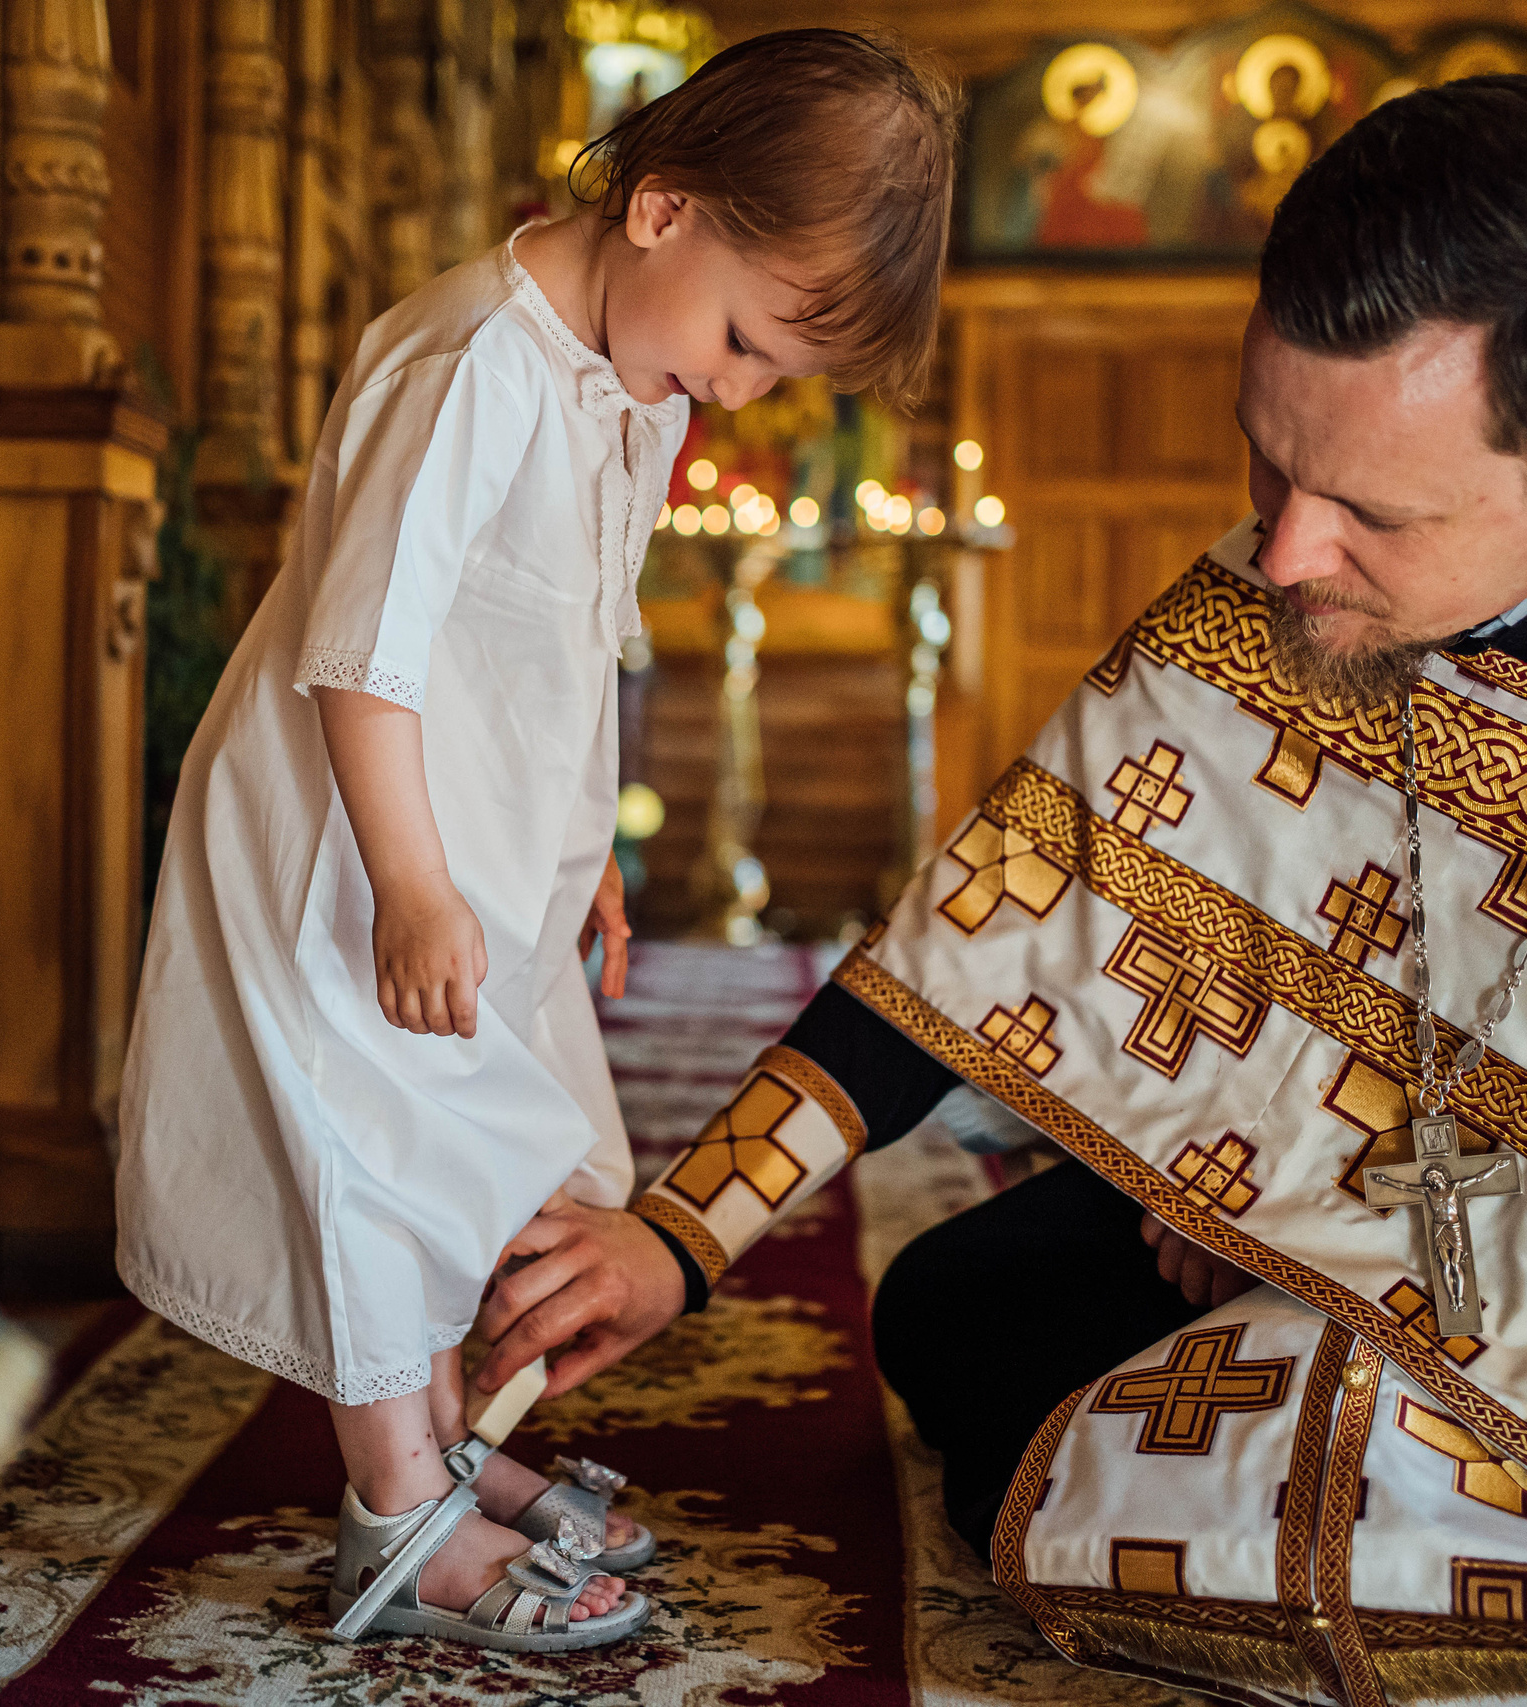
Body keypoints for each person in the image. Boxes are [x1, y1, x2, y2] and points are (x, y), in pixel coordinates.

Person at [478, 74, 1527, 1701]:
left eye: (1371, 511)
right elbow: (988, 928)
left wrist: (1318, 1236)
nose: (1284, 556)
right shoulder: (1288, 591)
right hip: (1313, 1237)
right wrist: (677, 1235)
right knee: (953, 1312)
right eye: (1265, 459)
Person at [112, 29, 958, 1653]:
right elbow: (370, 649)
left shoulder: (628, 382)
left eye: (776, 369)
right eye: (746, 339)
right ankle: (394, 1520)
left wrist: (594, 860)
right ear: (661, 211)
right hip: (357, 842)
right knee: (378, 1162)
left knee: (469, 1160)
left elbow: (573, 643)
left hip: (483, 839)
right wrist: (415, 888)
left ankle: (435, 1457)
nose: (742, 388)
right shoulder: (474, 359)